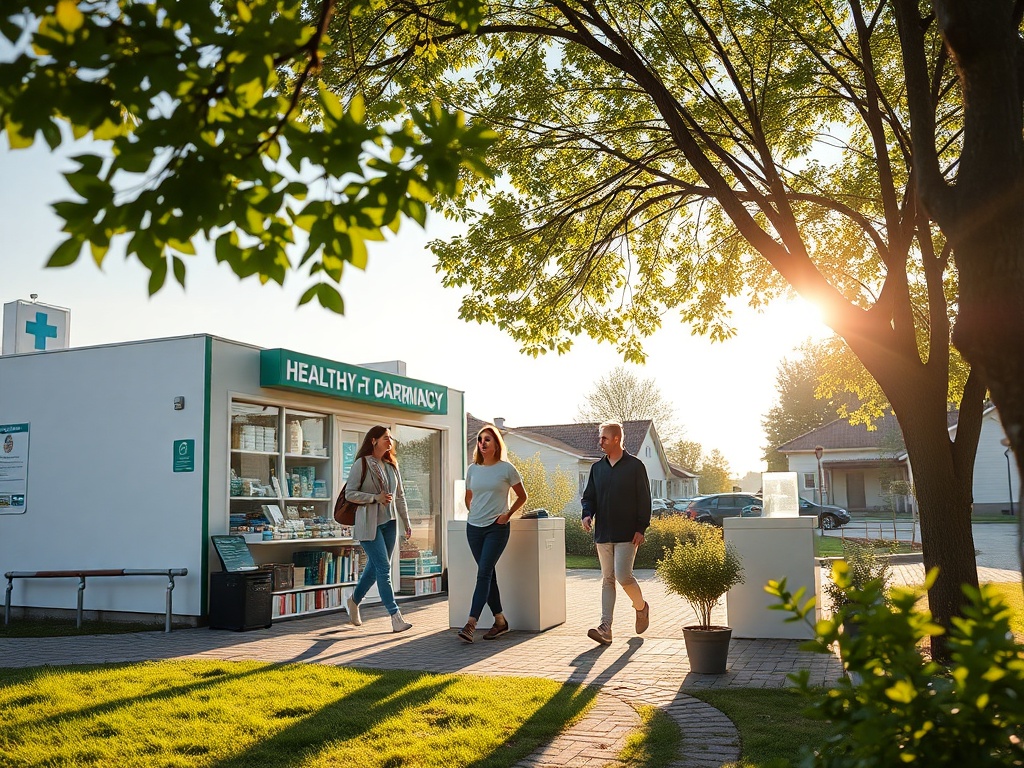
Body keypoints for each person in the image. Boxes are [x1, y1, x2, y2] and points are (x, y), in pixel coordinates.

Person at [581, 421, 651, 645]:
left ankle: (641, 607)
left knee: (623, 576)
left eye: (604, 438)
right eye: (600, 437)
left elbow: (644, 499)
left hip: (628, 534)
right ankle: (605, 628)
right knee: (607, 579)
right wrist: (587, 514)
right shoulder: (597, 468)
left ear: (616, 439)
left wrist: (641, 528)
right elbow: (589, 497)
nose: (600, 442)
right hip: (603, 533)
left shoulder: (635, 467)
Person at [458, 424, 528, 643]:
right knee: (487, 574)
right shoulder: (473, 469)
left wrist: (507, 514)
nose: (482, 443)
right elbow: (468, 496)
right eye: (480, 440)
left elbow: (522, 496)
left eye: (487, 439)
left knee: (484, 574)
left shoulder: (507, 469)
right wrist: (473, 512)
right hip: (473, 529)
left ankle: (471, 623)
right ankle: (500, 621)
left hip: (496, 528)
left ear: (497, 443)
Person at [344, 425, 414, 633]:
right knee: (383, 569)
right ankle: (395, 616)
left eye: (390, 438)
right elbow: (350, 493)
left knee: (375, 569)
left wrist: (406, 522)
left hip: (389, 523)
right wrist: (374, 498)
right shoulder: (362, 464)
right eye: (385, 437)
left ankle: (354, 601)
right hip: (368, 524)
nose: (390, 441)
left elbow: (400, 497)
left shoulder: (392, 466)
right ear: (373, 440)